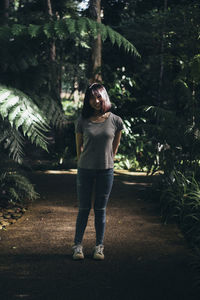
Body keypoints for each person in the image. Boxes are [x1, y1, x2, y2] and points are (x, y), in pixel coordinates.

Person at [72, 83, 123, 260]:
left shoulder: (116, 120)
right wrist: (82, 163)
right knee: (84, 208)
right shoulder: (82, 121)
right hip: (85, 169)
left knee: (100, 209)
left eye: (99, 96)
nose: (96, 101)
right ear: (88, 100)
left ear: (104, 97)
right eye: (92, 97)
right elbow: (78, 147)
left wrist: (109, 159)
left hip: (106, 170)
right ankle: (77, 246)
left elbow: (114, 147)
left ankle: (98, 247)